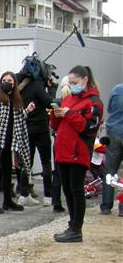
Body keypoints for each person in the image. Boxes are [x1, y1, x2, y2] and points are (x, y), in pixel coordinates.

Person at [50, 65, 103, 243]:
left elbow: (89, 128)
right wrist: (56, 114)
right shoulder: (68, 99)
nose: (72, 85)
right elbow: (57, 126)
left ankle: (76, 228)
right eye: (70, 82)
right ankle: (72, 224)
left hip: (78, 151)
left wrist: (70, 114)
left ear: (85, 80)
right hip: (62, 150)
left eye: (75, 82)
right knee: (67, 189)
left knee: (77, 189)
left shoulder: (94, 102)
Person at [0, 71, 33, 213]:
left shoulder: (16, 99)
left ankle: (7, 201)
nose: (7, 83)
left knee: (7, 171)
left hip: (9, 142)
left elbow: (17, 117)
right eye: (5, 80)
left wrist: (28, 111)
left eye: (10, 81)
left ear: (14, 84)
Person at [17, 68, 54, 206]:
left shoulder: (20, 87)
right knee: (46, 162)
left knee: (27, 163)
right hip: (40, 129)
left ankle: (23, 194)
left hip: (27, 128)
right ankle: (48, 196)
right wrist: (51, 90)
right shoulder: (37, 87)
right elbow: (50, 103)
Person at [100, 83, 122, 216]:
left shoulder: (116, 89)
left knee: (110, 171)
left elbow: (109, 109)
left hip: (114, 133)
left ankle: (106, 206)